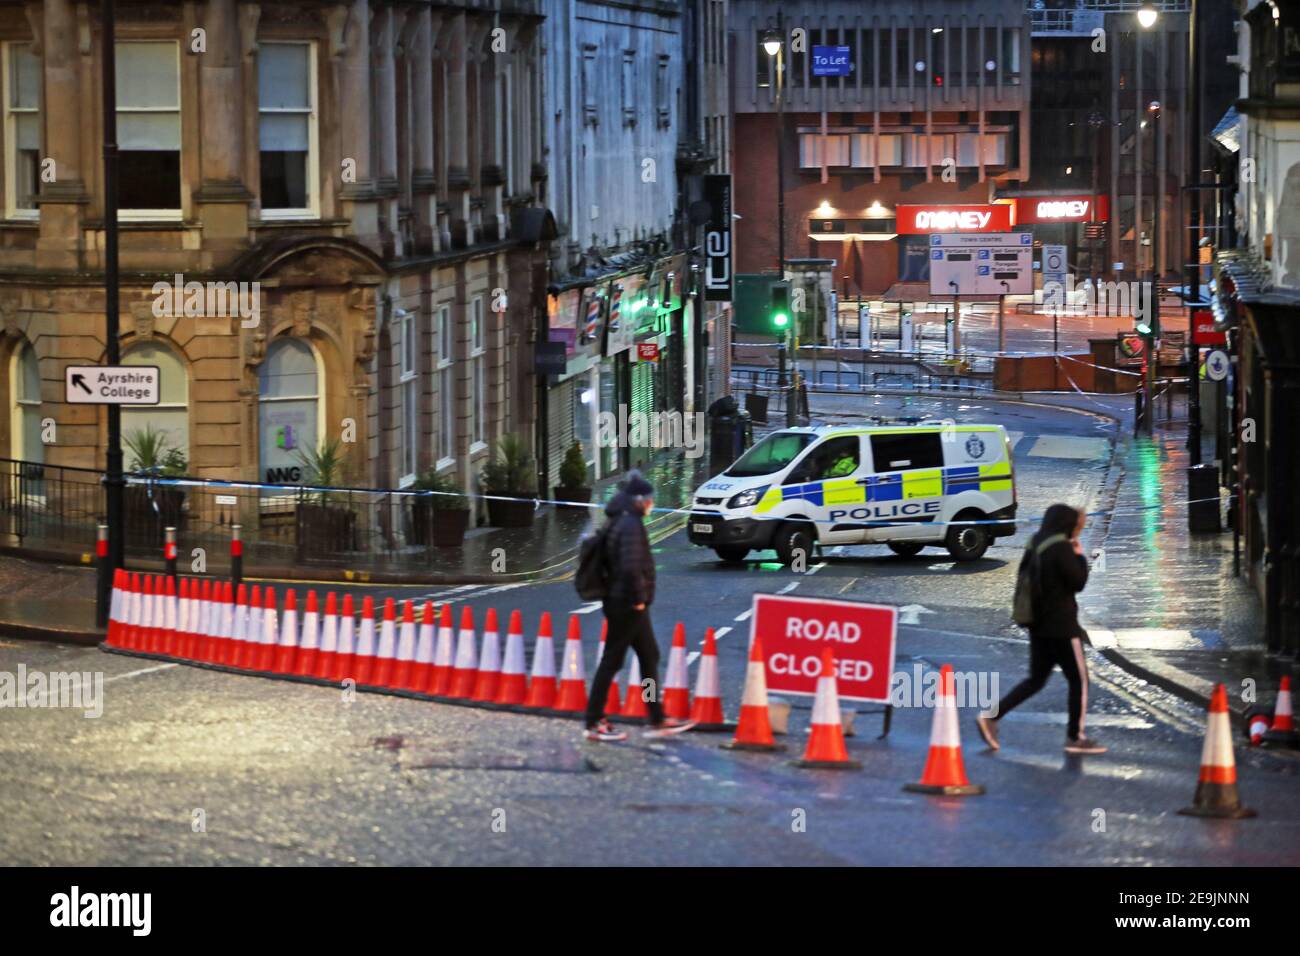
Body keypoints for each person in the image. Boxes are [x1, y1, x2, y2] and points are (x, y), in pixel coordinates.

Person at [976, 503, 1107, 755]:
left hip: (1037, 624)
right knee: (1079, 680)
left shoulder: (1036, 541)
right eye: (1076, 525)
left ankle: (992, 716)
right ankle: (1075, 737)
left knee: (1035, 679)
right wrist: (1079, 555)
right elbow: (1078, 582)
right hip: (1063, 627)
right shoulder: (1061, 548)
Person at [584, 471, 696, 742]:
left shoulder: (620, 521)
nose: (651, 504)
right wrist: (638, 599)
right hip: (627, 603)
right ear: (640, 500)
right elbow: (632, 567)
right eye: (649, 500)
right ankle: (593, 720)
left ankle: (655, 716)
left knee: (649, 655)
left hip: (625, 602)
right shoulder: (630, 525)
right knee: (612, 661)